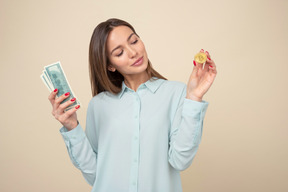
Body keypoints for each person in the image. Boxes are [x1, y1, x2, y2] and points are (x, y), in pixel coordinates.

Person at [48, 18, 217, 192]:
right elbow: (94, 175)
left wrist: (194, 98)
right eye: (119, 52)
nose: (133, 52)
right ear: (110, 66)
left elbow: (180, 160)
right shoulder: (98, 105)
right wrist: (72, 127)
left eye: (134, 41)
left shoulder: (176, 93)